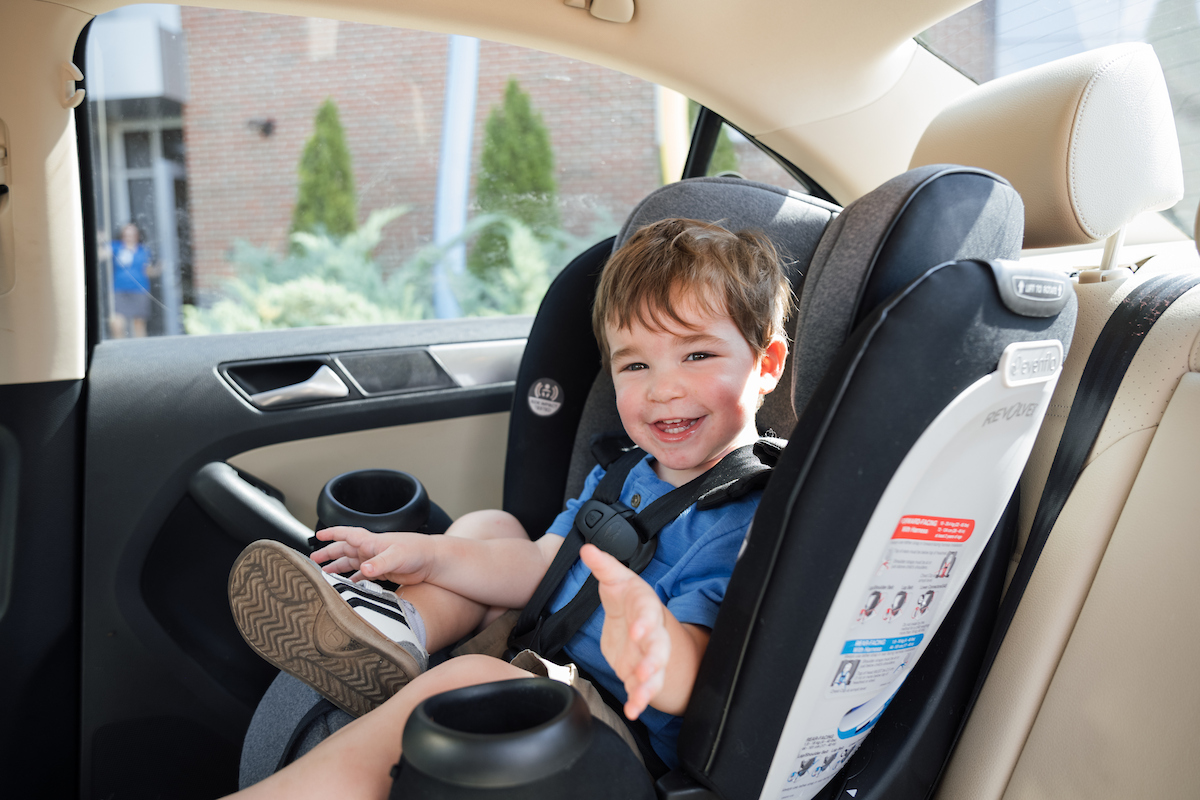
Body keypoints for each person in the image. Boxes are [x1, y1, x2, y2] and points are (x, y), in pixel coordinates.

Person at [227, 217, 793, 799]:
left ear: (767, 365)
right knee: (488, 528)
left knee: (473, 671)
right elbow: (541, 565)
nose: (663, 388)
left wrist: (656, 644)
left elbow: (697, 678)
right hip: (547, 650)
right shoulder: (621, 472)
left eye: (697, 355)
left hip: (618, 727)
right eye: (636, 365)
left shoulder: (744, 516)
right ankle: (397, 632)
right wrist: (430, 556)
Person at [109, 223, 159, 338]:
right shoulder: (116, 247)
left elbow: (147, 270)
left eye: (131, 234)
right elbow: (102, 252)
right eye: (126, 235)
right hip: (119, 289)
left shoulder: (143, 250)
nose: (128, 237)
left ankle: (140, 352)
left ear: (137, 236)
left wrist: (157, 270)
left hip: (139, 290)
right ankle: (119, 349)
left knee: (139, 323)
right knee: (117, 322)